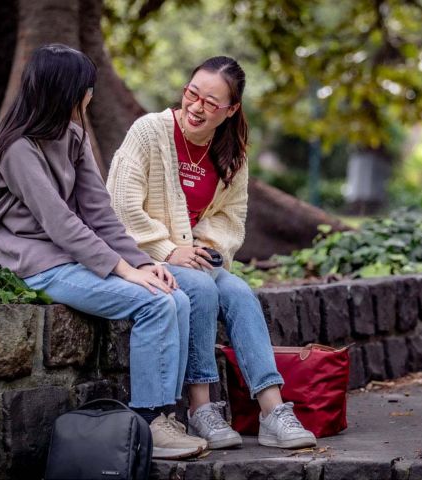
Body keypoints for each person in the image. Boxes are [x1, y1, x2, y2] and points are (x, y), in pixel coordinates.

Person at [0, 44, 208, 460]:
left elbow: (99, 213)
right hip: (38, 262)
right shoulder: (17, 147)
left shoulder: (74, 134)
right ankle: (148, 423)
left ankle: (164, 418)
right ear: (66, 92)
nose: (91, 95)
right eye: (87, 88)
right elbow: (59, 223)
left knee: (174, 296)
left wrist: (143, 264)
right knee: (155, 305)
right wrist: (123, 270)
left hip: (74, 255)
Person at [107, 56, 317, 449]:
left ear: (231, 110)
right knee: (201, 289)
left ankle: (273, 411)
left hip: (195, 259)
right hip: (143, 255)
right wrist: (170, 249)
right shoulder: (150, 131)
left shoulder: (233, 152)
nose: (196, 107)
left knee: (237, 291)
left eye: (211, 102)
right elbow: (119, 204)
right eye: (192, 94)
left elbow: (230, 218)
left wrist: (203, 247)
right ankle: (201, 409)